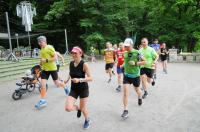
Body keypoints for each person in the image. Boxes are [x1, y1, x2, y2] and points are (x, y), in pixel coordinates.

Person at [35, 36, 67, 109]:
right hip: (45, 70)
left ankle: (65, 86)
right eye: (38, 42)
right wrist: (40, 64)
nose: (39, 43)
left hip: (52, 69)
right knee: (43, 85)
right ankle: (42, 100)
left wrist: (46, 60)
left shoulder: (49, 47)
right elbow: (42, 59)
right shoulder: (42, 49)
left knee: (57, 83)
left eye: (40, 42)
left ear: (44, 41)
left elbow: (55, 58)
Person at [64, 46, 92, 129]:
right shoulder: (71, 63)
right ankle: (78, 108)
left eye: (75, 53)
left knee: (83, 109)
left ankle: (87, 120)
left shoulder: (84, 64)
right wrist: (66, 80)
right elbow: (70, 72)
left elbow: (91, 78)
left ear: (80, 54)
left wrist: (79, 80)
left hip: (83, 89)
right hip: (74, 89)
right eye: (72, 53)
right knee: (68, 108)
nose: (73, 54)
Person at [121, 38, 146, 119]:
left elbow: (145, 62)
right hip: (126, 76)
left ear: (132, 45)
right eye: (125, 46)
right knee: (125, 93)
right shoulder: (124, 53)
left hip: (135, 76)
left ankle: (139, 97)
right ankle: (125, 110)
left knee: (138, 91)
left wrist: (135, 63)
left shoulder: (137, 52)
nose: (126, 48)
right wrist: (123, 65)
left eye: (127, 46)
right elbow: (126, 62)